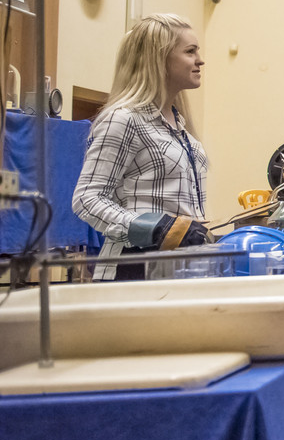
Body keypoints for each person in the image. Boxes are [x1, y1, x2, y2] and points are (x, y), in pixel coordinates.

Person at [73, 14, 210, 281]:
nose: (200, 60)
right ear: (160, 59)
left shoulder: (183, 130)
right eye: (190, 51)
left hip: (177, 270)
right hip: (132, 267)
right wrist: (153, 228)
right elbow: (87, 199)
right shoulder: (124, 119)